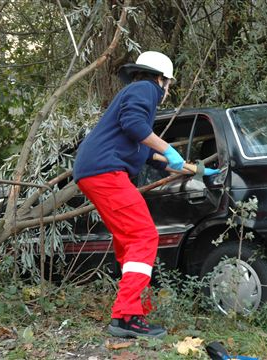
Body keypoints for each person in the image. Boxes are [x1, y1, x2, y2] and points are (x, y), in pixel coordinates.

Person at [72, 51, 220, 338]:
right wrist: (169, 148)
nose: (167, 90)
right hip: (105, 171)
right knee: (144, 236)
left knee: (129, 241)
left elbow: (150, 154)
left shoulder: (134, 94)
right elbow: (135, 126)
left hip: (95, 171)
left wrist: (196, 169)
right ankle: (125, 317)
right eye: (169, 84)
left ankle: (134, 312)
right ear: (162, 78)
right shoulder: (146, 88)